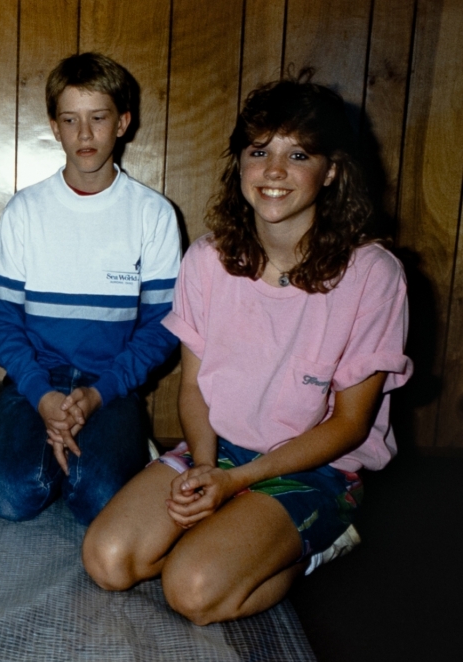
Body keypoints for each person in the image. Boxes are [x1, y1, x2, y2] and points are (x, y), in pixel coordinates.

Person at [82, 76, 412, 625]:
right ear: (240, 163)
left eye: (298, 154)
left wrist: (235, 485)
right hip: (222, 452)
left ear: (330, 171)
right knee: (108, 561)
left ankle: (319, 543)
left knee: (190, 590)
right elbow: (192, 386)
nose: (275, 171)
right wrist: (207, 470)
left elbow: (351, 424)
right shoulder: (208, 259)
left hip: (315, 465)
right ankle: (237, 530)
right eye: (259, 152)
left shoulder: (372, 274)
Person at [0, 52, 181, 526]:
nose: (84, 135)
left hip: (110, 384)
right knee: (9, 498)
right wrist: (42, 396)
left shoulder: (152, 213)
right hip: (35, 382)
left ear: (123, 123)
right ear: (54, 126)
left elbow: (163, 325)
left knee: (100, 500)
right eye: (70, 120)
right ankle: (52, 449)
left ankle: (110, 449)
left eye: (98, 119)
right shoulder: (25, 209)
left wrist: (99, 394)